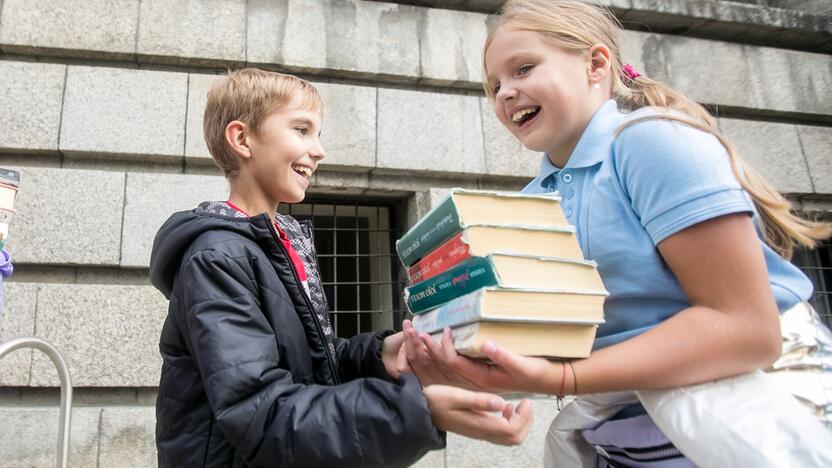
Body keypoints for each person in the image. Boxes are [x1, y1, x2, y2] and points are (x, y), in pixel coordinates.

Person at [401, 1, 832, 466]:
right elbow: (566, 343)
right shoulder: (529, 200)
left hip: (757, 413)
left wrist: (561, 380)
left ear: (596, 63)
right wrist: (467, 362)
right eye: (494, 86)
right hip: (632, 441)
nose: (505, 93)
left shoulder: (652, 141)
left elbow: (746, 330)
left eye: (523, 68)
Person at [149, 68, 531, 468]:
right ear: (242, 139)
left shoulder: (280, 242)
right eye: (301, 129)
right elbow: (259, 410)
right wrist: (416, 411)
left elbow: (307, 369)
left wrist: (379, 353)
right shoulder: (218, 257)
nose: (319, 150)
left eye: (318, 134)